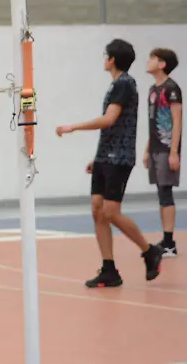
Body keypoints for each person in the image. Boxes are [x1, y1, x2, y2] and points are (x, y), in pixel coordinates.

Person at [56, 39, 164, 288]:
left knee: (110, 212)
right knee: (97, 210)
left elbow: (109, 120)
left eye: (106, 55)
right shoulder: (116, 84)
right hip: (106, 156)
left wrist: (73, 127)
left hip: (120, 157)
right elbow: (113, 127)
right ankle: (109, 269)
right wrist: (98, 158)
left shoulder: (125, 83)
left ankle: (150, 251)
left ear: (112, 59)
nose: (104, 59)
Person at [143, 48, 181, 257]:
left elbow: (177, 121)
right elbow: (153, 122)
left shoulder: (171, 88)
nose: (148, 61)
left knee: (166, 192)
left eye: (152, 58)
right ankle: (166, 240)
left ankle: (169, 243)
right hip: (156, 148)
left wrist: (174, 152)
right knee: (161, 192)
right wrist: (147, 149)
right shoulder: (153, 90)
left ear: (162, 64)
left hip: (167, 148)